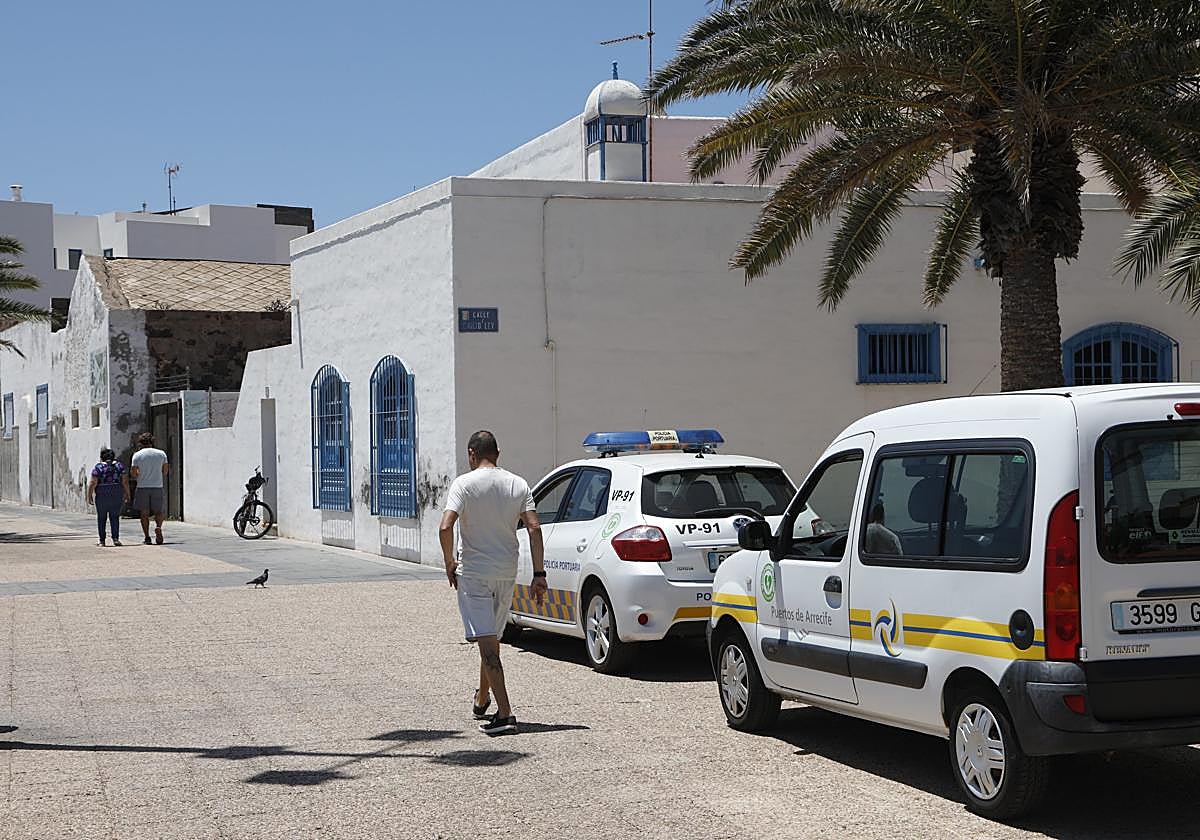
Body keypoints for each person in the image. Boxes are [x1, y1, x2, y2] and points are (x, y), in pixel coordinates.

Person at [439, 430, 546, 736]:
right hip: (506, 571)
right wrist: (539, 575)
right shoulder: (518, 484)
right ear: (498, 452)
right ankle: (482, 697)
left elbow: (446, 527)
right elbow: (535, 529)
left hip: (474, 572)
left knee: (488, 645)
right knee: (492, 640)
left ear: (472, 453)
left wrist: (449, 562)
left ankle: (506, 714)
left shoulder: (464, 484)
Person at [130, 432, 169, 545]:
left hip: (142, 486)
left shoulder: (137, 455)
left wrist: (141, 474)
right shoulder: (161, 454)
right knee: (158, 511)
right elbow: (165, 471)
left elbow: (134, 473)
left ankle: (147, 537)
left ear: (140, 443)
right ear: (152, 442)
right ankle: (158, 527)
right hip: (157, 485)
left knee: (144, 513)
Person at [86, 447, 130, 547]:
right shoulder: (119, 466)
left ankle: (102, 540)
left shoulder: (98, 467)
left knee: (101, 518)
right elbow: (125, 481)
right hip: (116, 493)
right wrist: (127, 493)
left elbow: (93, 482)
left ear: (102, 457)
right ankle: (116, 538)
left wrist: (89, 495)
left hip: (102, 494)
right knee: (115, 517)